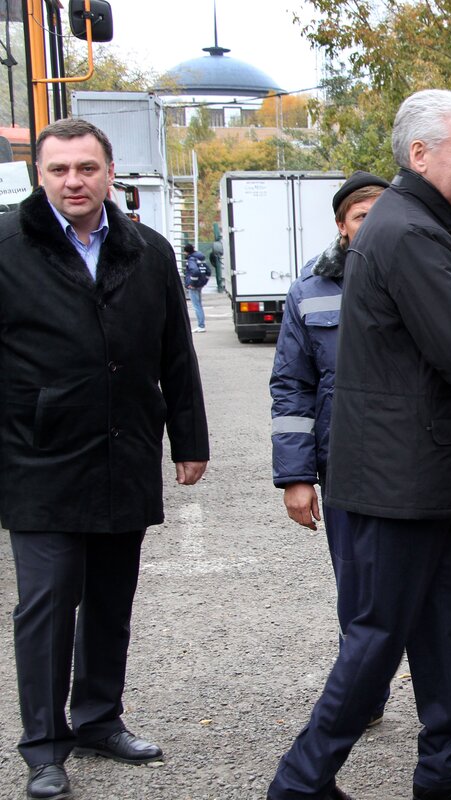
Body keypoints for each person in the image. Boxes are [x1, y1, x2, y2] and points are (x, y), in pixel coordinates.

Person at [267, 89, 451, 800]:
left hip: (424, 479)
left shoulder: (417, 224)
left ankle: (445, 771)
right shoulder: (406, 232)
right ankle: (300, 781)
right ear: (420, 153)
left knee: (441, 629)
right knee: (377, 637)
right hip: (397, 484)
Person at [0, 118, 209, 800]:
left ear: (109, 172)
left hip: (124, 450)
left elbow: (175, 351)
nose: (73, 182)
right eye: (59, 170)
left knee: (112, 601)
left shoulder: (146, 251)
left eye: (86, 168)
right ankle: (43, 747)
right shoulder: (7, 246)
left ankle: (97, 718)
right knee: (49, 604)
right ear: (39, 174)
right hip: (38, 458)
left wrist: (190, 440)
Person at [269, 170, 389, 725]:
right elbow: (292, 387)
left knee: (426, 592)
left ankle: (440, 700)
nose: (372, 227)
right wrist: (296, 477)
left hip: (412, 464)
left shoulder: (420, 278)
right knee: (359, 591)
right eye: (362, 216)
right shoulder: (308, 293)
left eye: (381, 216)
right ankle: (363, 697)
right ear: (342, 226)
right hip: (342, 467)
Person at [183, 243, 209, 332]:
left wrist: (192, 283)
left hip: (194, 286)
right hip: (200, 284)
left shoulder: (191, 259)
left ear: (187, 252)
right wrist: (204, 281)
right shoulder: (200, 258)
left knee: (196, 306)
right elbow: (208, 271)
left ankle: (201, 326)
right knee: (199, 305)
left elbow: (195, 271)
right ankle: (201, 325)